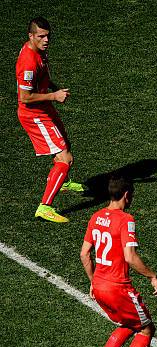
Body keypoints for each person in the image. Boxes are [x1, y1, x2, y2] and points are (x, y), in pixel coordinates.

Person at [80, 177, 157, 347]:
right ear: (126, 194)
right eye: (132, 195)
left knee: (128, 323)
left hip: (99, 286)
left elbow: (84, 254)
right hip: (118, 288)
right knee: (146, 328)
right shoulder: (126, 219)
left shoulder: (96, 216)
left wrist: (92, 281)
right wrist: (152, 275)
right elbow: (130, 256)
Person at [16, 17, 83, 223]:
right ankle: (45, 207)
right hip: (34, 114)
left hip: (44, 106)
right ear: (31, 36)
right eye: (41, 36)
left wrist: (52, 87)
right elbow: (24, 98)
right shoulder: (28, 61)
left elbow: (41, 76)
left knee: (64, 141)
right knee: (65, 158)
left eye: (48, 36)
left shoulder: (38, 51)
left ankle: (61, 181)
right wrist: (54, 96)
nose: (46, 40)